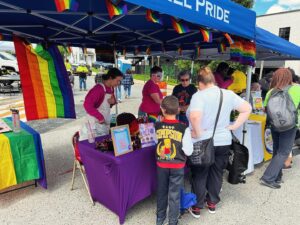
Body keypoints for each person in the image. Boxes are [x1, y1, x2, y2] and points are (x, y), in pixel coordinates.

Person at [187, 67, 251, 217]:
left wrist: (197, 131)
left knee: (200, 172)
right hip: (223, 140)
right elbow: (247, 108)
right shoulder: (227, 94)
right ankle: (212, 203)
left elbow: (195, 117)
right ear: (213, 81)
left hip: (203, 140)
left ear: (200, 82)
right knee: (217, 172)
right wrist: (234, 126)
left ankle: (197, 206)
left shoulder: (199, 96)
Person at [155, 96, 193, 225]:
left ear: (162, 109)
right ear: (178, 110)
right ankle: (173, 221)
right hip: (177, 166)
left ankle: (159, 219)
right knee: (174, 194)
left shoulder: (157, 125)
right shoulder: (184, 128)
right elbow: (188, 151)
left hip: (162, 165)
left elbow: (155, 142)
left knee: (161, 191)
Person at [260, 68, 300, 189]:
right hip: (290, 125)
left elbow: (265, 109)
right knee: (283, 151)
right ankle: (268, 177)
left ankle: (277, 176)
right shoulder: (297, 89)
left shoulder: (271, 91)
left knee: (277, 150)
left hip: (274, 125)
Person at [80, 68, 123, 140]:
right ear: (110, 78)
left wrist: (113, 102)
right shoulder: (98, 89)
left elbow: (107, 104)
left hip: (103, 123)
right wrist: (100, 117)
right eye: (117, 81)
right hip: (94, 123)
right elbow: (87, 105)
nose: (118, 83)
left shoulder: (111, 88)